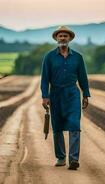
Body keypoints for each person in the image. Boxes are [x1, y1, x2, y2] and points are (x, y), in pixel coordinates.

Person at [40, 25, 91, 170]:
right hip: (55, 94)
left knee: (75, 125)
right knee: (57, 127)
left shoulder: (78, 58)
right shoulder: (49, 57)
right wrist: (45, 96)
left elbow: (83, 77)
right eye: (60, 36)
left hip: (72, 94)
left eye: (65, 36)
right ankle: (61, 157)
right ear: (56, 38)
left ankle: (74, 159)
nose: (63, 38)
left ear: (70, 39)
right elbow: (45, 79)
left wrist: (86, 94)